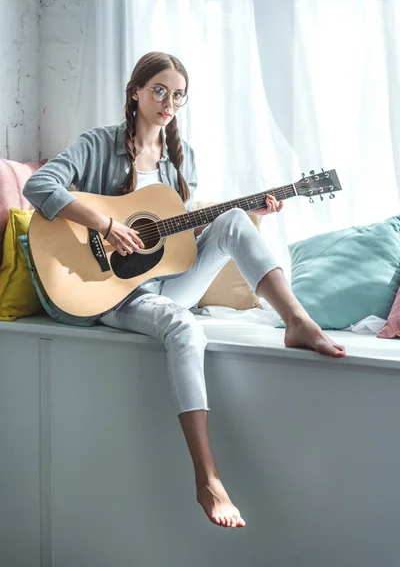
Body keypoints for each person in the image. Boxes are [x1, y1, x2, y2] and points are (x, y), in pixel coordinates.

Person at [23, 51, 346, 530]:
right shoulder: (98, 145)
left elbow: (177, 245)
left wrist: (255, 213)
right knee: (185, 329)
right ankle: (208, 476)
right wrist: (106, 223)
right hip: (111, 292)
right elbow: (40, 185)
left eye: (177, 95)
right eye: (159, 90)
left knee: (234, 218)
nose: (168, 102)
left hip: (165, 283)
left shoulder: (182, 159)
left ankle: (297, 321)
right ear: (135, 92)